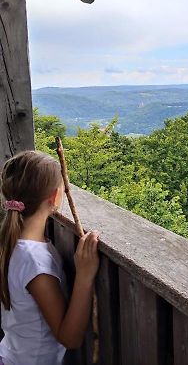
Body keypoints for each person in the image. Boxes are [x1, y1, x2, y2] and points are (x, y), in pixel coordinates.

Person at [0, 150, 99, 365]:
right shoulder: (34, 262)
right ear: (54, 197)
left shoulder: (11, 242)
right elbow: (69, 338)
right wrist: (84, 276)